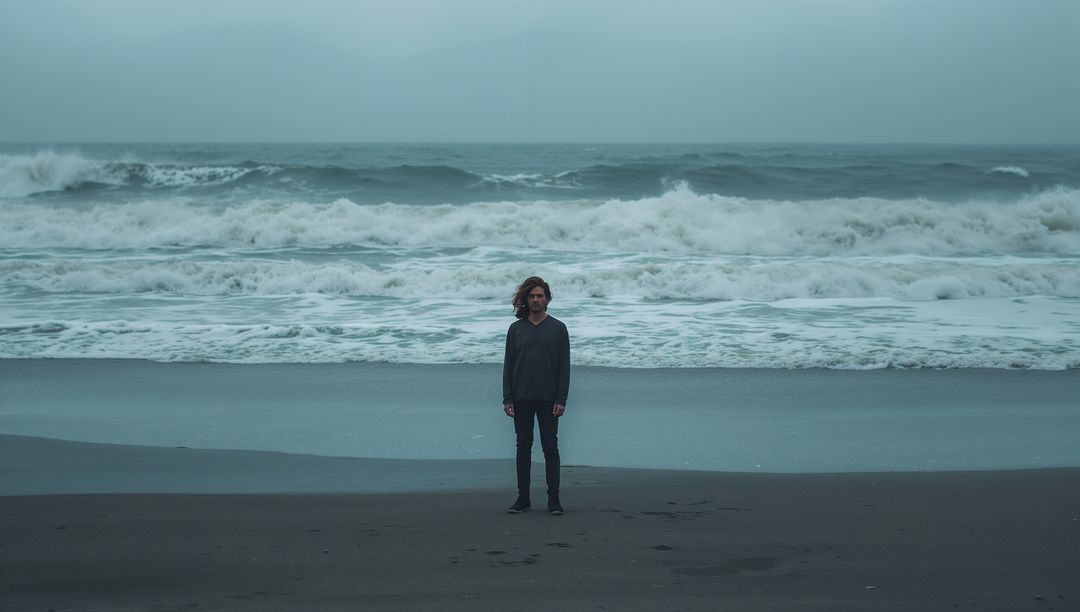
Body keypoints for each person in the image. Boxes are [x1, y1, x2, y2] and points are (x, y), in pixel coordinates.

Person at [502, 276, 571, 515]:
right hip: (521, 398)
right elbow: (508, 365)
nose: (535, 300)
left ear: (547, 299)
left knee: (550, 447)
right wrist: (507, 398)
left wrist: (561, 399)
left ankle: (554, 500)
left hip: (549, 399)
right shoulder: (516, 329)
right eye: (531, 296)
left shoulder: (558, 328)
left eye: (540, 296)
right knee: (523, 446)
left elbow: (565, 367)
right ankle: (523, 499)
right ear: (526, 299)